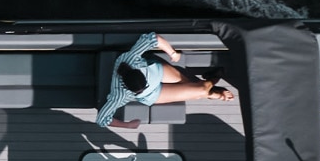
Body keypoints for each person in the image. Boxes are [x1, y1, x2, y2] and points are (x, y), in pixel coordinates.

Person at [96, 32, 233, 128]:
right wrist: (128, 125)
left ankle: (212, 89)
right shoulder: (119, 95)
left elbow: (152, 38)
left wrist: (173, 53)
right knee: (200, 91)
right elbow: (102, 120)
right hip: (153, 94)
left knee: (191, 87)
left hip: (157, 72)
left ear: (138, 71)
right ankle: (214, 80)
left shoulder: (130, 59)